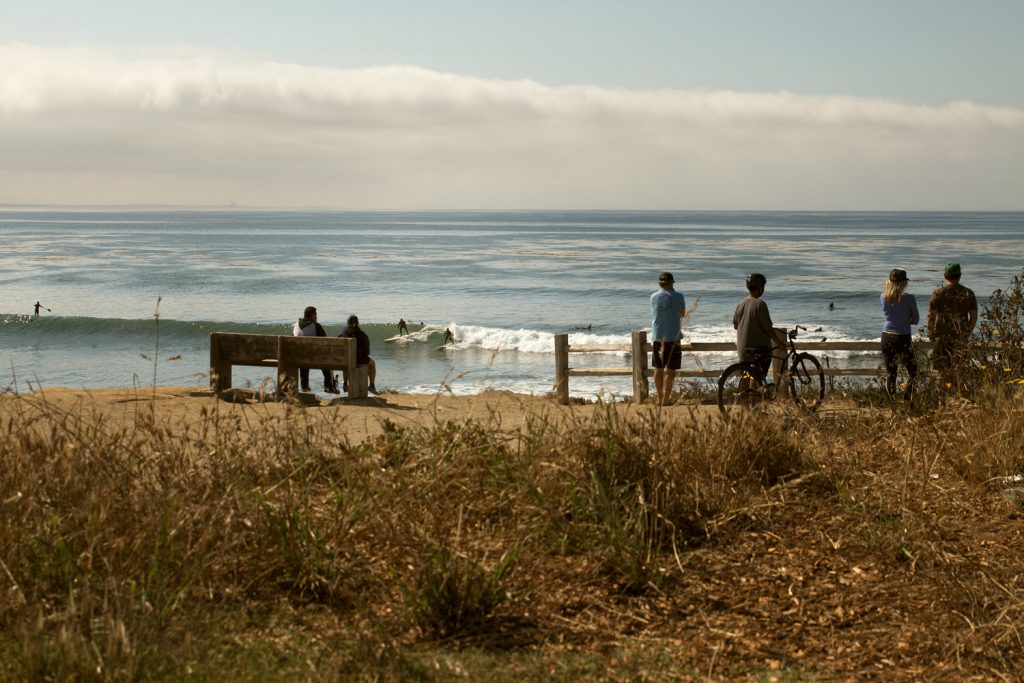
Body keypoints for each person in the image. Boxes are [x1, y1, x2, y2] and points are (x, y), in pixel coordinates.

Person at [927, 262, 978, 387]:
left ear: (945, 276)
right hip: (960, 336)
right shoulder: (968, 293)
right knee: (959, 369)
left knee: (941, 371)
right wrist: (967, 332)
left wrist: (931, 332)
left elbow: (931, 316)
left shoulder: (938, 293)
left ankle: (942, 398)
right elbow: (974, 317)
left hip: (942, 337)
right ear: (959, 276)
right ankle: (956, 396)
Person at [733, 273, 787, 383]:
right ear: (760, 287)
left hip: (743, 351)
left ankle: (743, 398)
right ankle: (755, 397)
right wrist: (779, 343)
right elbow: (768, 329)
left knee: (746, 379)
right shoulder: (760, 304)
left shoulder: (741, 303)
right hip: (759, 352)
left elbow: (736, 325)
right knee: (757, 379)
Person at [880, 268, 919, 401]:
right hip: (902, 337)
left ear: (889, 282)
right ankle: (907, 399)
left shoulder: (883, 297)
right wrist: (906, 318)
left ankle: (893, 404)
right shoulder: (909, 298)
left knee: (891, 373)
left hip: (886, 335)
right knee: (914, 372)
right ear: (904, 283)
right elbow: (916, 320)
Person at [649, 271, 686, 406]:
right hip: (673, 337)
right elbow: (682, 314)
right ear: (672, 283)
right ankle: (666, 399)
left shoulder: (653, 296)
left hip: (658, 336)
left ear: (660, 283)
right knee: (670, 370)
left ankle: (658, 398)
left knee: (658, 368)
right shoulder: (678, 296)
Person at [292, 306, 339, 393]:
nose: (317, 317)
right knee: (324, 357)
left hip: (298, 358)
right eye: (316, 315)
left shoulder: (296, 324)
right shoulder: (315, 325)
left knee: (303, 354)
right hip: (314, 358)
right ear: (312, 316)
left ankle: (304, 387)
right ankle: (328, 386)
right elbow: (326, 342)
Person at [338, 314, 378, 394]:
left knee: (346, 361)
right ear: (357, 323)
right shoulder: (362, 335)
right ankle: (372, 385)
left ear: (347, 323)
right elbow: (366, 352)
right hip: (359, 360)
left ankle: (345, 384)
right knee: (372, 363)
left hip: (344, 361)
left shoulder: (342, 334)